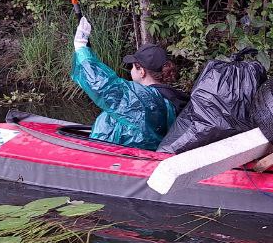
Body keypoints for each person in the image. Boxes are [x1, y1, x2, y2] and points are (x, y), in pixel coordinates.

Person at [70, 16, 187, 150]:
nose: (130, 70)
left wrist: (81, 48)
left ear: (141, 71)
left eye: (132, 67)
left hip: (114, 159)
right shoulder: (169, 98)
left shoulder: (145, 99)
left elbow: (103, 86)